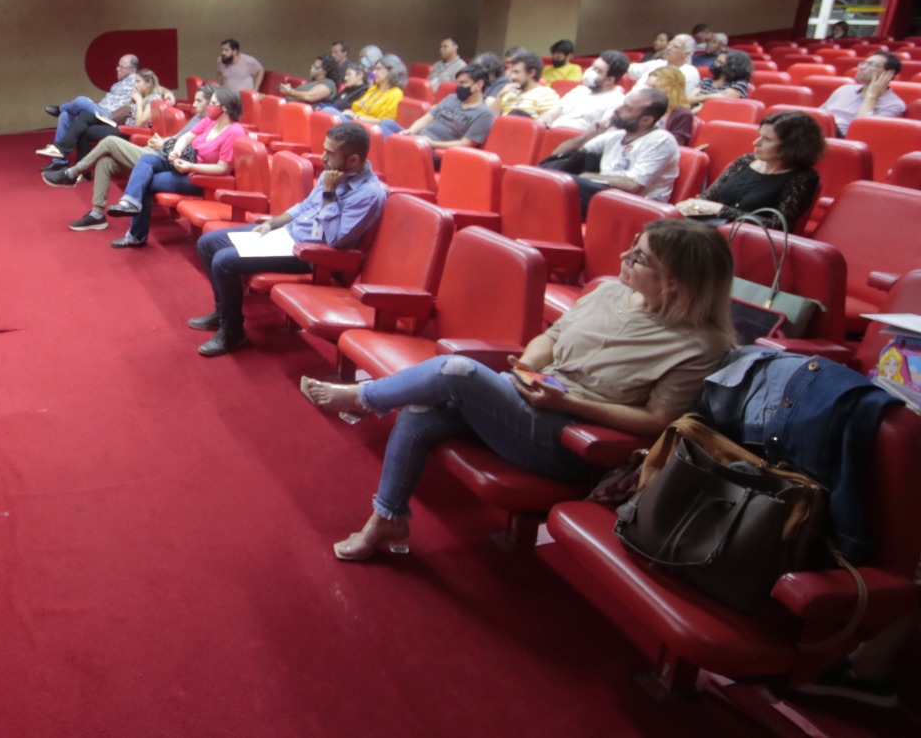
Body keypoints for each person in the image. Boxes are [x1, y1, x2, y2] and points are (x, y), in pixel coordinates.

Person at [301, 219, 735, 560]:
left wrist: (568, 401)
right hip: (532, 398)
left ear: (675, 282)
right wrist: (529, 364)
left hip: (570, 438)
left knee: (457, 370)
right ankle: (387, 519)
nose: (625, 256)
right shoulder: (609, 292)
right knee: (420, 411)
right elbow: (553, 336)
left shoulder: (701, 345)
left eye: (639, 257)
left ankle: (362, 399)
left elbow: (658, 421)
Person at [191, 122, 384, 356]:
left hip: (309, 253)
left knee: (224, 261)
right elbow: (305, 206)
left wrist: (329, 195)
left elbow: (337, 241)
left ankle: (232, 330)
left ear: (353, 160)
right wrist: (273, 223)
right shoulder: (332, 173)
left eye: (330, 153)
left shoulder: (369, 194)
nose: (323, 157)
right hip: (286, 235)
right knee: (207, 243)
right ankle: (222, 313)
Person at [47, 85, 213, 231]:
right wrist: (161, 140)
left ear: (211, 104)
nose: (193, 104)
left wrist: (163, 144)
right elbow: (178, 138)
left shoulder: (209, 125)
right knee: (105, 161)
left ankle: (72, 173)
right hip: (156, 151)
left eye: (199, 101)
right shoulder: (197, 118)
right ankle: (97, 214)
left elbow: (188, 150)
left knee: (110, 141)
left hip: (159, 159)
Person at [111, 87, 246, 249]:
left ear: (225, 107)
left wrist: (191, 167)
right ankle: (129, 202)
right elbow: (186, 137)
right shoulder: (210, 121)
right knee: (146, 159)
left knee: (146, 182)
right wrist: (176, 151)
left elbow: (222, 168)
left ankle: (136, 235)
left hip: (203, 178)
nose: (209, 106)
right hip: (186, 163)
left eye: (213, 103)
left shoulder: (234, 132)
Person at [675, 111, 824, 231]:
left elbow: (778, 225)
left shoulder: (803, 178)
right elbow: (707, 198)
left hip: (746, 240)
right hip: (710, 227)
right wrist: (692, 207)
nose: (756, 143)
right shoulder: (745, 161)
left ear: (792, 147)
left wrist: (721, 210)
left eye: (767, 139)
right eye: (759, 136)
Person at [545, 88, 679, 212]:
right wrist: (590, 134)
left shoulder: (660, 141)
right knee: (554, 169)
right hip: (604, 196)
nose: (618, 110)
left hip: (637, 207)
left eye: (627, 108)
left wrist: (586, 177)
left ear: (646, 120)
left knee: (565, 186)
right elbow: (558, 153)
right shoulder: (618, 135)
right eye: (623, 104)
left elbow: (633, 185)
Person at [42, 68, 174, 170]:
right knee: (83, 118)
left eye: (138, 82)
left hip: (126, 130)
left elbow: (140, 123)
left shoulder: (153, 99)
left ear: (148, 83)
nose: (135, 85)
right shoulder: (139, 93)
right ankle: (64, 153)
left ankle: (75, 163)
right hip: (120, 124)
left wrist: (139, 101)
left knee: (82, 108)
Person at [39, 54, 139, 158]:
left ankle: (61, 108)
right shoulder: (119, 84)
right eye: (118, 65)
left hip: (110, 116)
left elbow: (144, 92)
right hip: (100, 112)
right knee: (64, 116)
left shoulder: (136, 80)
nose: (117, 69)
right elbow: (106, 102)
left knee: (81, 100)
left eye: (122, 67)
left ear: (132, 70)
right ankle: (59, 162)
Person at [403, 65, 496, 149]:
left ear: (479, 85)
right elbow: (426, 118)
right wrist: (410, 131)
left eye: (463, 83)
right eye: (458, 83)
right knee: (393, 128)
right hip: (419, 139)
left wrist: (432, 144)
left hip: (436, 149)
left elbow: (466, 143)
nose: (458, 87)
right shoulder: (451, 98)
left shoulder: (484, 115)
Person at [541, 51, 628, 132]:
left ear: (609, 80)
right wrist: (542, 124)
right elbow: (553, 112)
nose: (590, 71)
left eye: (598, 70)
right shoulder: (580, 90)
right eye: (592, 66)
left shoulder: (617, 101)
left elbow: (601, 131)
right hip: (553, 133)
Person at [821, 51, 905, 135]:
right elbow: (820, 115)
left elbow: (862, 130)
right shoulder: (844, 89)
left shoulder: (894, 105)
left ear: (889, 73)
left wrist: (871, 96)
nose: (862, 67)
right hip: (821, 131)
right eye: (863, 63)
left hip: (844, 138)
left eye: (872, 64)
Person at [493, 50, 558, 118]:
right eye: (512, 72)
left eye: (516, 72)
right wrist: (500, 95)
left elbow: (546, 122)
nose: (512, 77)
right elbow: (492, 119)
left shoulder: (546, 95)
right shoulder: (508, 93)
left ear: (531, 73)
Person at [345, 57, 406, 130]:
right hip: (355, 121)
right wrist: (351, 113)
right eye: (374, 69)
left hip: (371, 128)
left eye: (378, 69)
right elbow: (357, 106)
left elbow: (385, 123)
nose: (374, 73)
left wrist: (357, 118)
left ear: (391, 71)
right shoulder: (373, 88)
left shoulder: (396, 93)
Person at [629, 33, 700, 94]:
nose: (668, 48)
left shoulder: (689, 72)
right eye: (670, 44)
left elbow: (681, 100)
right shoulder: (657, 63)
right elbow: (630, 69)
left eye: (675, 47)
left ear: (686, 54)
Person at [645, 65, 694, 146]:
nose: (649, 92)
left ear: (671, 89)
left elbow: (675, 144)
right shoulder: (646, 107)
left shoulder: (683, 114)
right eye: (648, 87)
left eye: (654, 87)